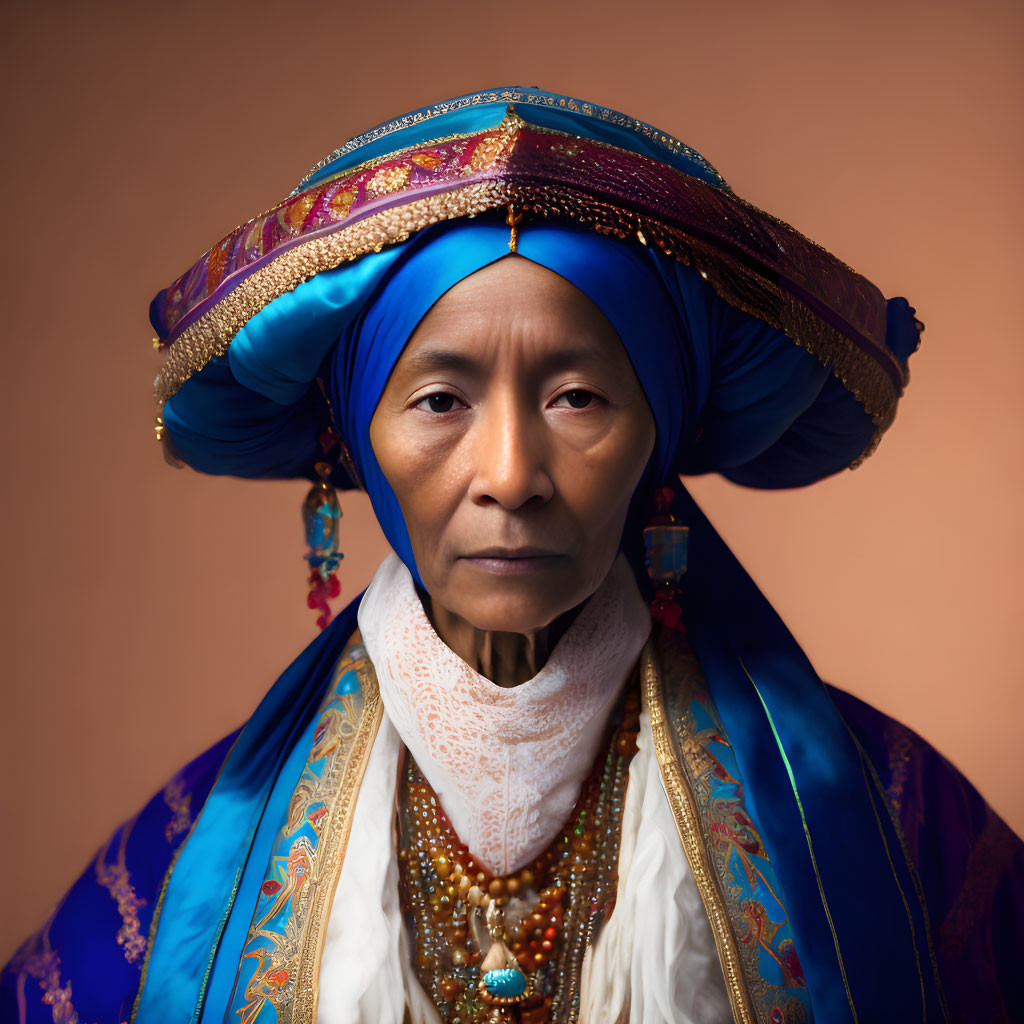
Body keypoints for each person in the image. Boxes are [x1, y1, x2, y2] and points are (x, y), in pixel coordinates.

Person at [3, 87, 1020, 1024]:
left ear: (656, 435)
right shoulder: (186, 870)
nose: (509, 473)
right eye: (439, 401)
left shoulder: (894, 824)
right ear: (357, 439)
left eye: (576, 398)